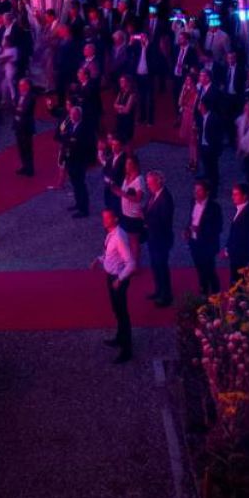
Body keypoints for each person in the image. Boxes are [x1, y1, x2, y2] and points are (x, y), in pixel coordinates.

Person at [94, 207, 139, 364]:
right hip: (112, 277)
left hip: (117, 279)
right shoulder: (111, 234)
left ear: (115, 219)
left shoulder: (119, 236)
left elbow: (131, 263)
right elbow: (109, 254)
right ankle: (120, 338)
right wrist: (99, 260)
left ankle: (126, 350)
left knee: (122, 313)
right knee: (117, 311)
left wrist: (119, 279)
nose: (104, 221)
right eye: (103, 218)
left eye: (107, 218)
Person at [142, 169, 176, 308]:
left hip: (161, 239)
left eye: (150, 183)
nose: (148, 185)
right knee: (155, 266)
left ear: (158, 182)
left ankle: (166, 295)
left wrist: (146, 221)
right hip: (153, 237)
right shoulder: (154, 195)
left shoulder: (165, 199)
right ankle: (159, 290)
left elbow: (164, 221)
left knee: (161, 267)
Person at [57, 99, 94, 218]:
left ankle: (84, 209)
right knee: (75, 184)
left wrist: (67, 138)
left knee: (80, 185)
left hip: (79, 160)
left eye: (74, 114)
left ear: (79, 115)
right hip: (71, 160)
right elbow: (66, 140)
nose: (71, 116)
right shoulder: (72, 126)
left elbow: (76, 143)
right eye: (71, 114)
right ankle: (78, 204)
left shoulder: (83, 128)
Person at [186, 179, 222, 297]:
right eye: (195, 190)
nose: (196, 193)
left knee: (209, 270)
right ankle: (204, 291)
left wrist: (199, 230)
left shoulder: (214, 208)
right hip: (194, 243)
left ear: (207, 192)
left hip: (207, 245)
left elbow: (217, 228)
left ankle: (216, 293)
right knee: (200, 269)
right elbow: (191, 219)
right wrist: (187, 230)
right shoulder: (193, 202)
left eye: (199, 190)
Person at [225, 183, 249, 285]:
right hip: (237, 254)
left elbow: (242, 237)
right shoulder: (241, 210)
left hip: (240, 255)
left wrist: (229, 250)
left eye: (236, 194)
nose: (233, 197)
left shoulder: (247, 213)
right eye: (233, 194)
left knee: (239, 282)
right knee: (237, 281)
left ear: (245, 196)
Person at [12, 77, 38, 177]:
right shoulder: (18, 95)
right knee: (21, 147)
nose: (20, 87)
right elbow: (14, 107)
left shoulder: (31, 96)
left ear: (27, 86)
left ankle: (30, 169)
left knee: (27, 148)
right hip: (18, 125)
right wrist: (17, 109)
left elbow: (25, 110)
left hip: (26, 126)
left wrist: (17, 109)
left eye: (22, 85)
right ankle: (24, 166)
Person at [112, 75, 137, 147]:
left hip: (128, 120)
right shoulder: (121, 92)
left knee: (127, 139)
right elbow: (114, 105)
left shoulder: (132, 94)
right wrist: (121, 107)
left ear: (128, 83)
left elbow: (127, 110)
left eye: (122, 81)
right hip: (120, 118)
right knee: (119, 137)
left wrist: (119, 108)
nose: (120, 83)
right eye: (120, 81)